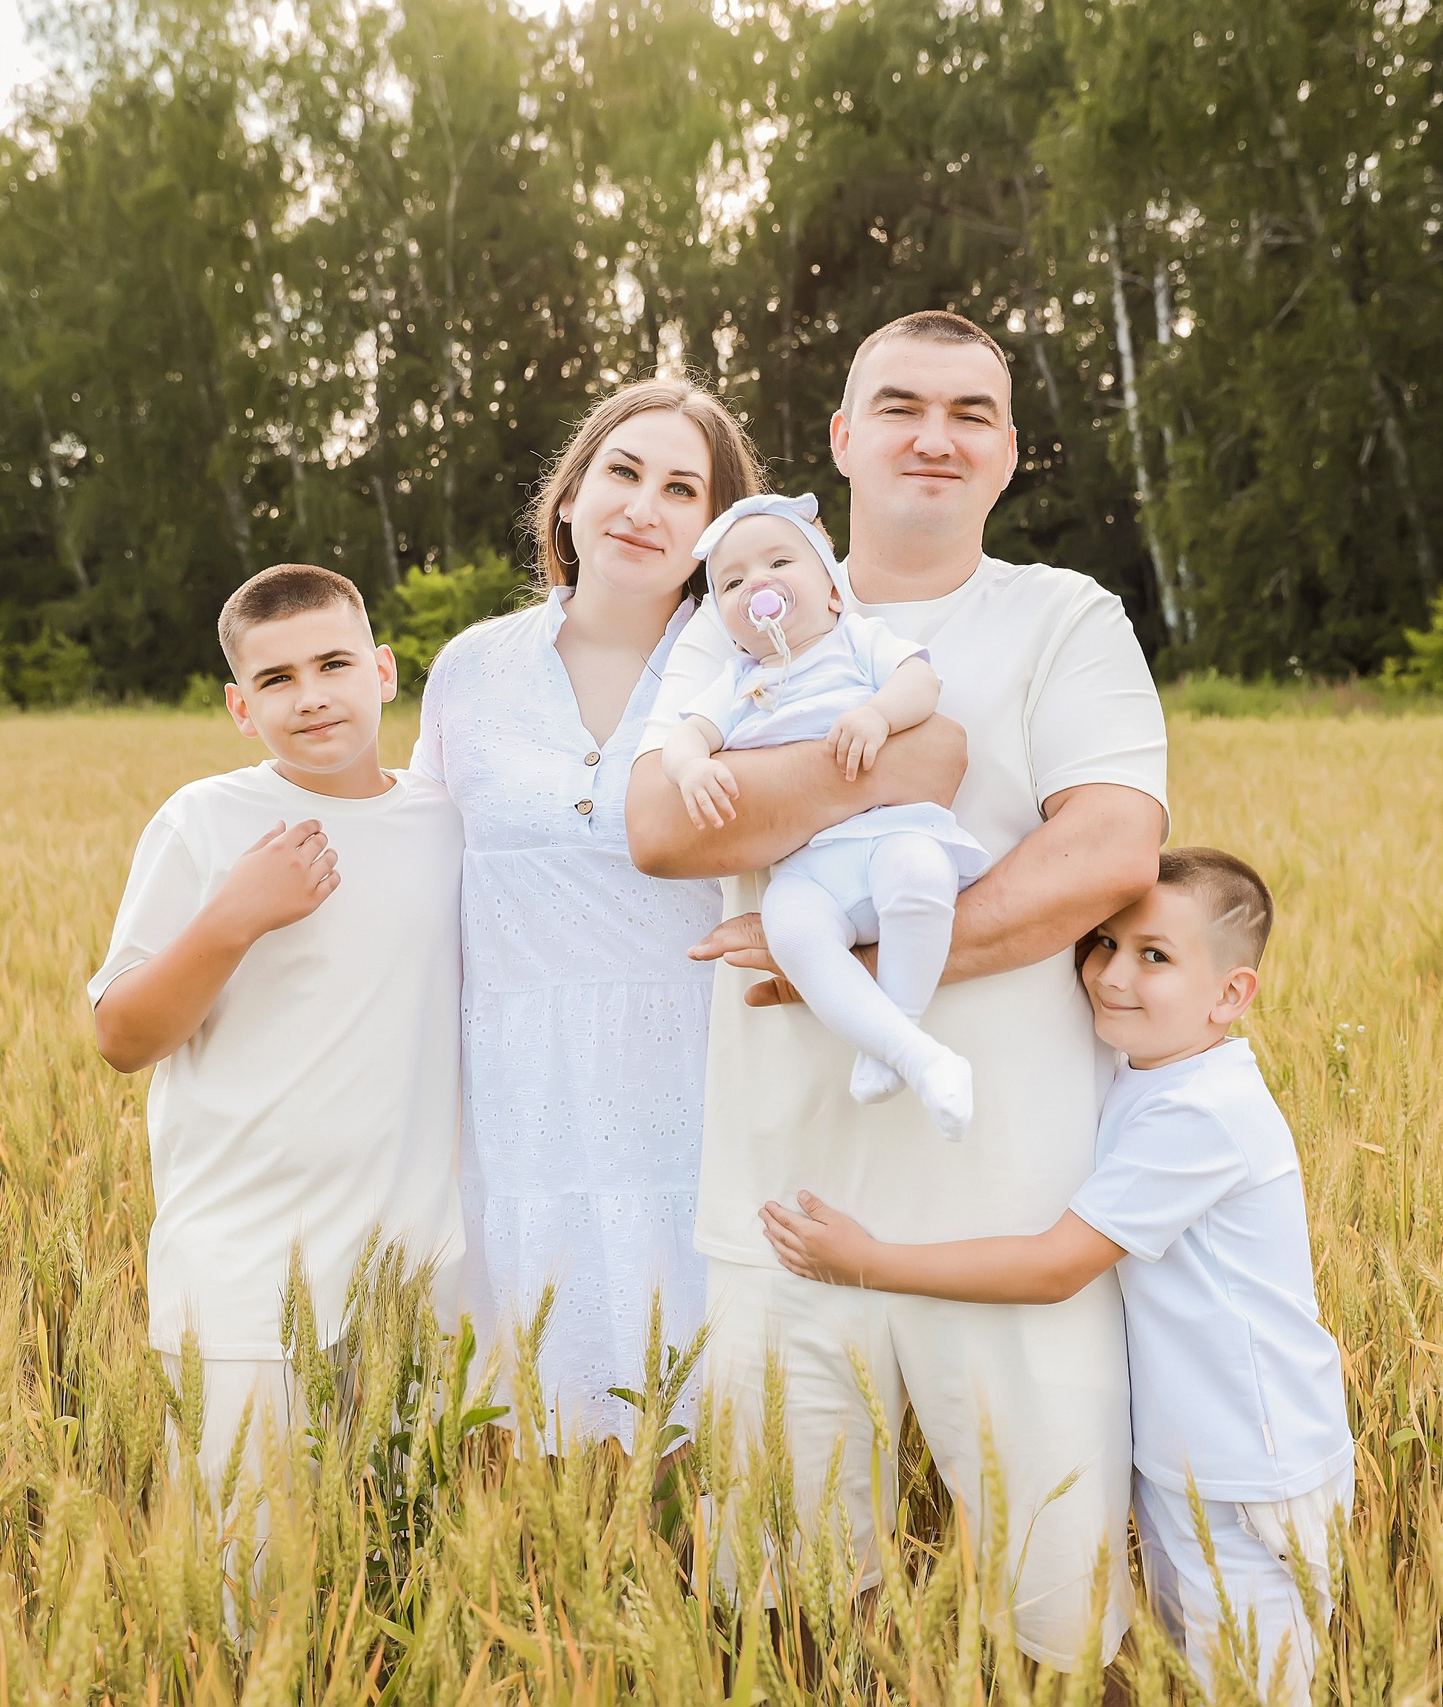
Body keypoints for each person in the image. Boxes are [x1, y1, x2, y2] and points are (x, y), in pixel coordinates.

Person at [626, 310, 1170, 1668]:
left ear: (1007, 454)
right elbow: (664, 829)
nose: (936, 434)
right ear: (840, 440)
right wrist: (910, 765)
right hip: (779, 1203)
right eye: (902, 404)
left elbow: (1107, 847)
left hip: (1014, 1210)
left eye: (971, 412)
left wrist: (849, 972)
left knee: (1065, 1621)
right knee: (793, 1619)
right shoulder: (725, 618)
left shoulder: (1062, 617)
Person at [411, 378, 968, 1446]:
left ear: (718, 532)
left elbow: (917, 761)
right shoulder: (471, 670)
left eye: (682, 488)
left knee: (714, 1420)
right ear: (568, 498)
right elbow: (418, 863)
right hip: (518, 1088)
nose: (644, 507)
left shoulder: (757, 669)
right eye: (622, 473)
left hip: (700, 1074)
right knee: (529, 1412)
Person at [758, 849, 1355, 1706]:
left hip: (1253, 1468)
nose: (1112, 973)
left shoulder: (1203, 1113)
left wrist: (868, 1262)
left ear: (1230, 995)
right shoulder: (1145, 1071)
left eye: (1155, 955)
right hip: (1195, 1459)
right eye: (1102, 942)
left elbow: (1054, 1266)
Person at [90, 563, 464, 1493]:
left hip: (417, 1279)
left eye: (332, 664)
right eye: (276, 680)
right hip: (245, 1279)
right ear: (238, 705)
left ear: (382, 671)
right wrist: (234, 916)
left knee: (392, 1576)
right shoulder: (207, 823)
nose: (311, 697)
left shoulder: (451, 823)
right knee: (241, 1592)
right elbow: (123, 1036)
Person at [660, 491, 987, 1139]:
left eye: (780, 560)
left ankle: (896, 1032)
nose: (758, 582)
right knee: (793, 932)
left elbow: (921, 683)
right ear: (727, 623)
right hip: (808, 870)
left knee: (921, 876)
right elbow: (682, 736)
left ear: (833, 589)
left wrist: (876, 714)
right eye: (732, 581)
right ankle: (919, 1055)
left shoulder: (858, 639)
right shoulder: (738, 681)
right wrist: (693, 767)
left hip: (889, 833)